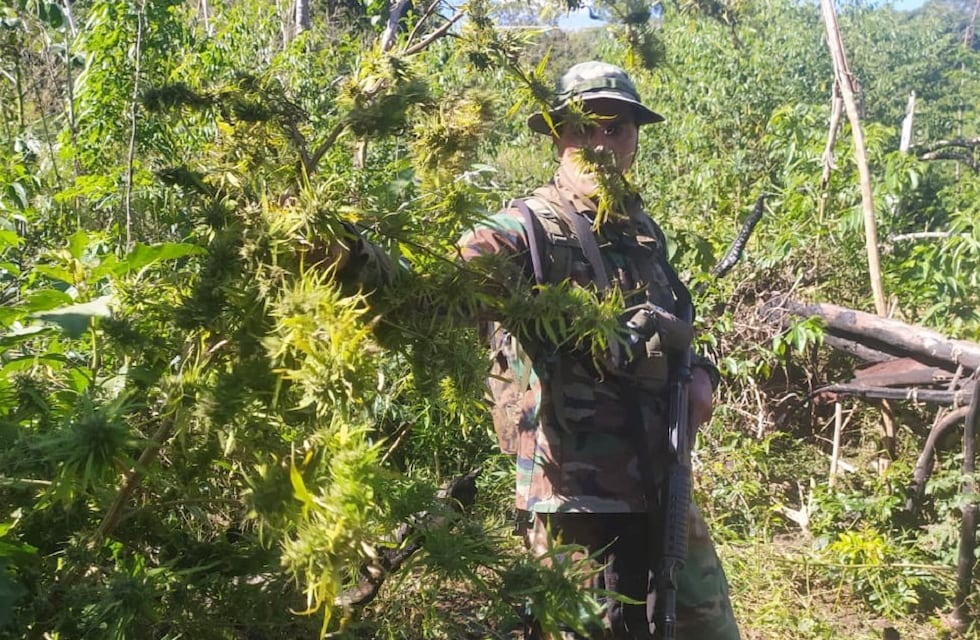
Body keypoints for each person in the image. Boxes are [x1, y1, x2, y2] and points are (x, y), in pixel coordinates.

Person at [334, 60, 740, 640]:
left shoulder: (640, 230)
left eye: (617, 128)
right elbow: (431, 297)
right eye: (585, 127)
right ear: (558, 137)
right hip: (574, 498)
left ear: (634, 139)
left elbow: (675, 320)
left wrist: (702, 374)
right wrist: (349, 259)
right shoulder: (525, 228)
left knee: (702, 628)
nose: (602, 143)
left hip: (661, 477)